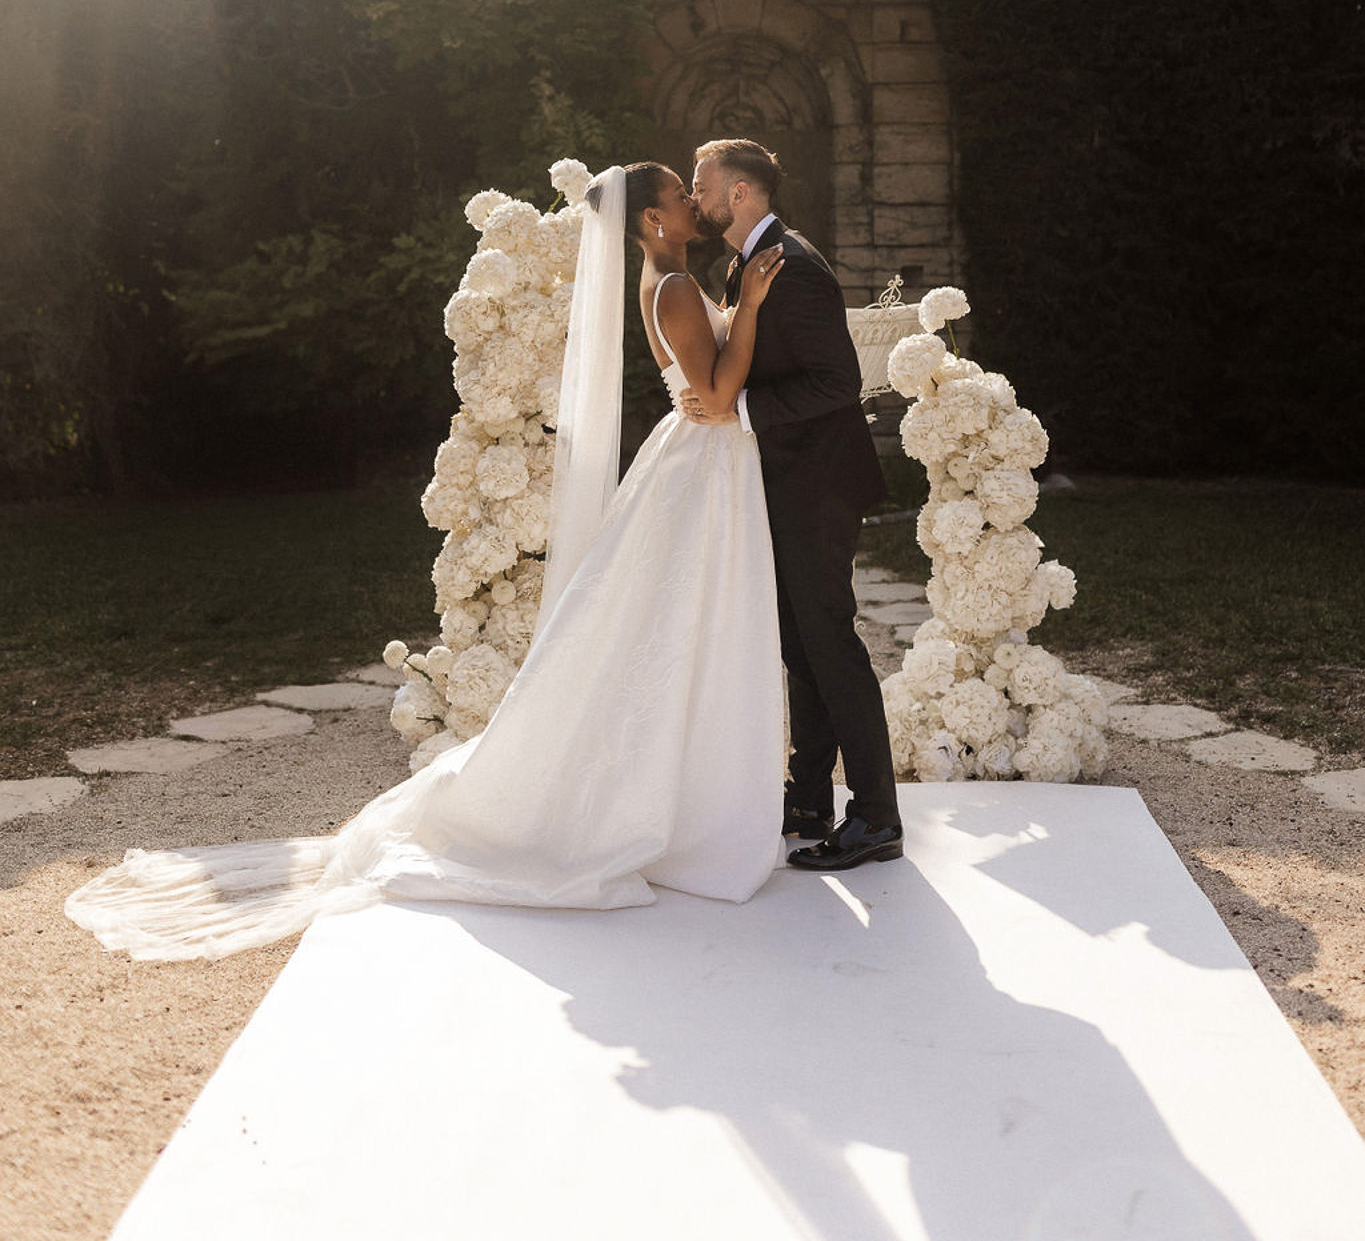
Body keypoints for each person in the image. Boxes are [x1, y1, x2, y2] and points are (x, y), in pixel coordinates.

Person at [65, 164, 788, 961]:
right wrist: (749, 306)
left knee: (669, 631)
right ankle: (672, 806)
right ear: (652, 219)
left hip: (698, 465)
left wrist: (739, 312)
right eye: (681, 197)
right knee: (682, 626)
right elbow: (717, 399)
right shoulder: (674, 286)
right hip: (702, 462)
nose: (696, 201)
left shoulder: (673, 277)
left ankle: (681, 797)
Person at [688, 138, 903, 874]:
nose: (695, 196)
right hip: (785, 484)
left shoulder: (794, 266)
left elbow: (837, 383)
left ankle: (875, 817)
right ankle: (809, 799)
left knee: (830, 644)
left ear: (740, 192)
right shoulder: (744, 264)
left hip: (817, 485)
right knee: (799, 646)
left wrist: (738, 409)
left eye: (702, 184)